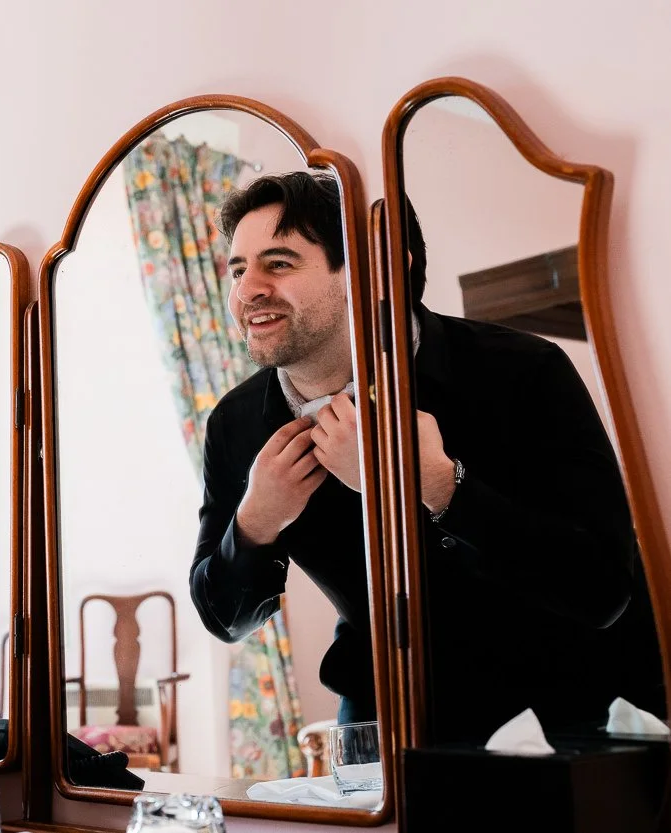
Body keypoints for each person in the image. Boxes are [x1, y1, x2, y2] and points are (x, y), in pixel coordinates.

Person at [189, 171, 663, 743]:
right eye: (239, 269)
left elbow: (603, 589)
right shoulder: (236, 426)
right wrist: (256, 522)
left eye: (279, 263)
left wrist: (441, 487)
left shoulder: (525, 372)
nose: (247, 290)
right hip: (385, 725)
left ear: (381, 270)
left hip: (578, 717)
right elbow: (225, 620)